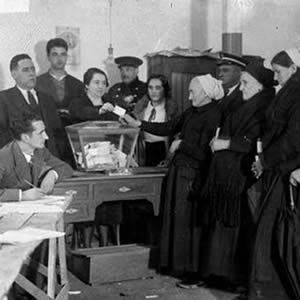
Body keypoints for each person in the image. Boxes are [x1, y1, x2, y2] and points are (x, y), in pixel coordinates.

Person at [122, 74, 224, 279]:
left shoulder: (214, 114)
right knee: (177, 222)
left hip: (194, 176)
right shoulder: (192, 111)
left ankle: (192, 272)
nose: (188, 96)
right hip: (180, 172)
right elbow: (168, 127)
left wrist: (182, 145)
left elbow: (207, 152)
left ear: (205, 93)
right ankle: (177, 266)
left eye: (192, 91)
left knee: (188, 224)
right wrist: (140, 125)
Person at [199, 63, 276, 293]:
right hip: (227, 173)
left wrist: (227, 143)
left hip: (240, 175)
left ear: (260, 86)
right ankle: (220, 274)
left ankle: (234, 278)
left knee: (235, 227)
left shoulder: (263, 107)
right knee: (223, 226)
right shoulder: (245, 102)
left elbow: (255, 142)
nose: (241, 88)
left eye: (245, 83)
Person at [250, 48, 300, 300]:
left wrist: (265, 161)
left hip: (285, 171)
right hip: (277, 169)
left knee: (274, 233)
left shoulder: (298, 92)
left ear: (293, 68)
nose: (276, 76)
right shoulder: (289, 90)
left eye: (279, 71)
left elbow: (293, 139)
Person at [0, 112, 73, 202]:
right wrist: (21, 195)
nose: (46, 137)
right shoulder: (3, 158)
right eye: (40, 133)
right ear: (25, 138)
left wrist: (52, 175)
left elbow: (65, 167)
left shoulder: (39, 150)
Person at [0, 54, 62, 157]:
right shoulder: (4, 99)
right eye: (26, 70)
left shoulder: (47, 99)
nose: (32, 73)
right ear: (14, 74)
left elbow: (57, 133)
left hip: (49, 160)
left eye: (33, 69)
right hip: (19, 161)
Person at [36, 37, 84, 126]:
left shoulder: (78, 85)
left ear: (67, 57)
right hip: (47, 133)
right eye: (55, 54)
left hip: (71, 133)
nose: (59, 58)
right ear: (48, 57)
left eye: (63, 54)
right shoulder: (37, 83)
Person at [133, 74, 177, 166]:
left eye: (158, 88)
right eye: (150, 88)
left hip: (164, 152)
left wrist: (170, 158)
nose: (154, 91)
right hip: (143, 152)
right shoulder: (140, 108)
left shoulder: (171, 110)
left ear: (164, 89)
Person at [217, 52, 248, 118]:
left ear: (239, 72)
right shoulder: (224, 94)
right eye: (219, 71)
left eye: (225, 70)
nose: (220, 75)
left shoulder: (243, 96)